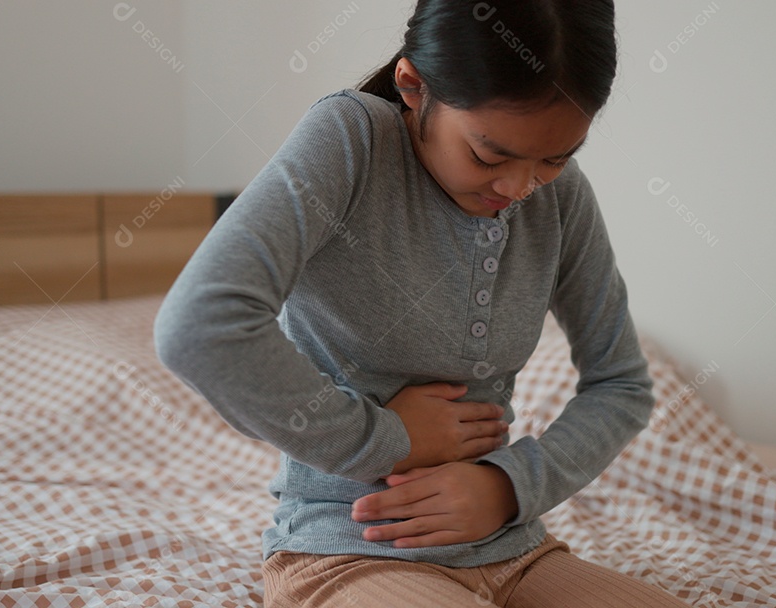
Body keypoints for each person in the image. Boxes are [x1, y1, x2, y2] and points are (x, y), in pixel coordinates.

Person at [154, 1, 692, 606]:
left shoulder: (559, 198)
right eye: (489, 155)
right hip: (346, 550)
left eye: (555, 156)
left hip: (511, 547)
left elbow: (621, 385)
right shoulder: (353, 138)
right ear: (414, 86)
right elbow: (201, 326)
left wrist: (507, 488)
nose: (518, 189)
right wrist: (386, 440)